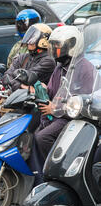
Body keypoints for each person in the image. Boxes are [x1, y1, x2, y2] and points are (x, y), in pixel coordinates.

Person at [29, 25, 94, 185]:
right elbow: (52, 91)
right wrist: (39, 91)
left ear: (71, 47)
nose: (54, 51)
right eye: (53, 47)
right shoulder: (60, 67)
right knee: (29, 133)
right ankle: (38, 177)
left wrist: (55, 108)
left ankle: (58, 171)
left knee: (42, 137)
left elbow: (81, 104)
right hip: (56, 114)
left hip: (72, 119)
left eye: (58, 47)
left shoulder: (85, 69)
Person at [2, 23, 56, 92]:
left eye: (33, 37)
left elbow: (27, 78)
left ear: (43, 40)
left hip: (36, 101)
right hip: (17, 98)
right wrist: (21, 86)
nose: (28, 41)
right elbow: (6, 77)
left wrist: (14, 75)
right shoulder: (23, 57)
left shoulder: (49, 61)